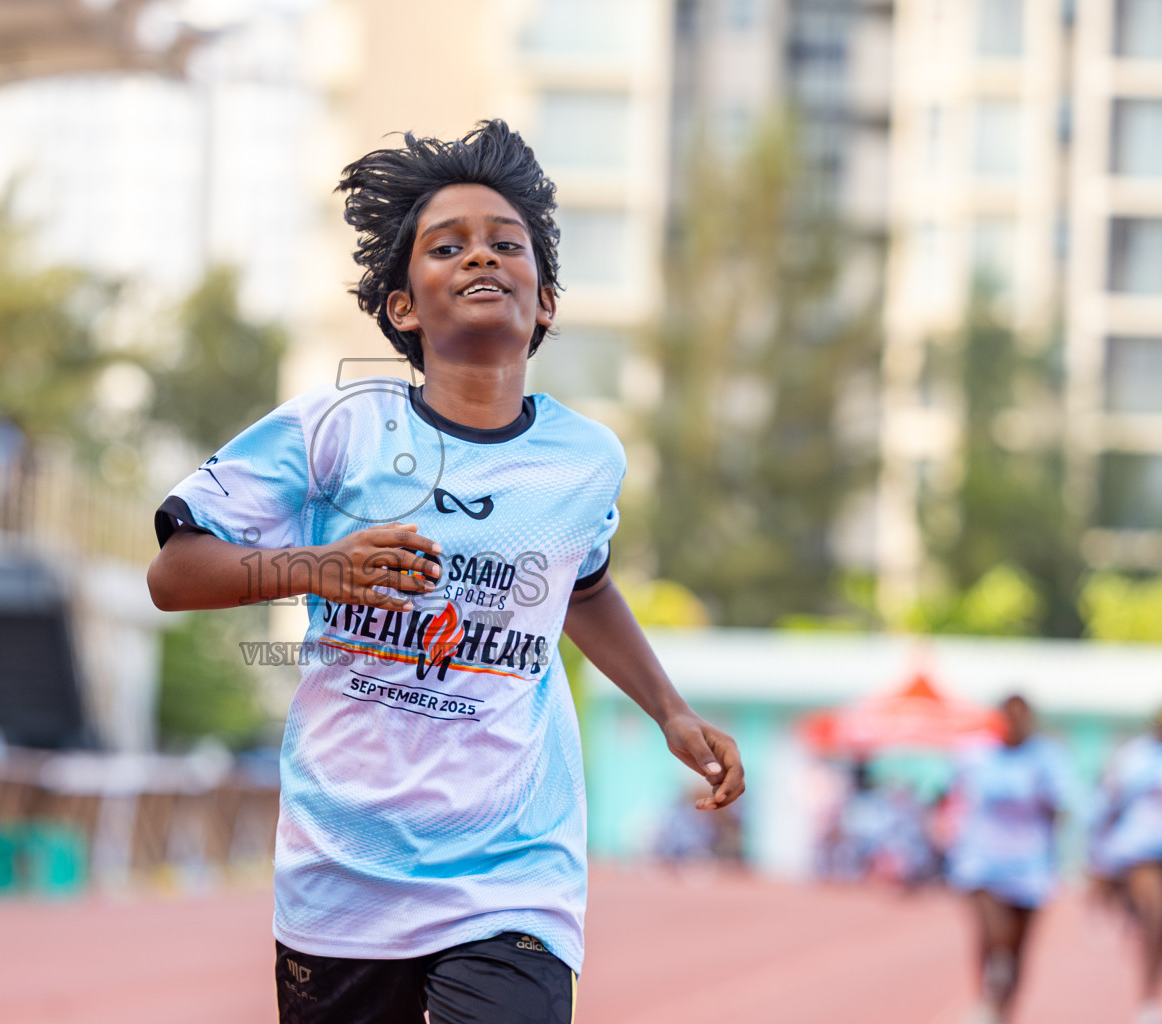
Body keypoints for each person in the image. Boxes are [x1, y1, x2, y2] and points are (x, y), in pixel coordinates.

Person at [146, 121, 744, 1024]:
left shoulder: (585, 460)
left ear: (544, 304)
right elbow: (173, 575)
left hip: (512, 868)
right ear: (403, 310)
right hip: (341, 867)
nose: (483, 258)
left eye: (510, 245)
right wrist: (318, 568)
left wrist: (670, 710)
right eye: (448, 246)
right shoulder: (335, 428)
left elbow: (583, 587)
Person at [944, 695, 1075, 1024]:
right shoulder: (976, 753)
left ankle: (1004, 1013)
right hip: (982, 861)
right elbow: (952, 796)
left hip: (1030, 864)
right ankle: (985, 999)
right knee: (993, 934)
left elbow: (1063, 808)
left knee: (1018, 948)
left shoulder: (1047, 757)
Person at [1091, 708, 1162, 1024]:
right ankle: (1148, 999)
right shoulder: (1134, 757)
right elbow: (1108, 805)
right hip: (1141, 853)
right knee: (1157, 918)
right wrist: (1098, 853)